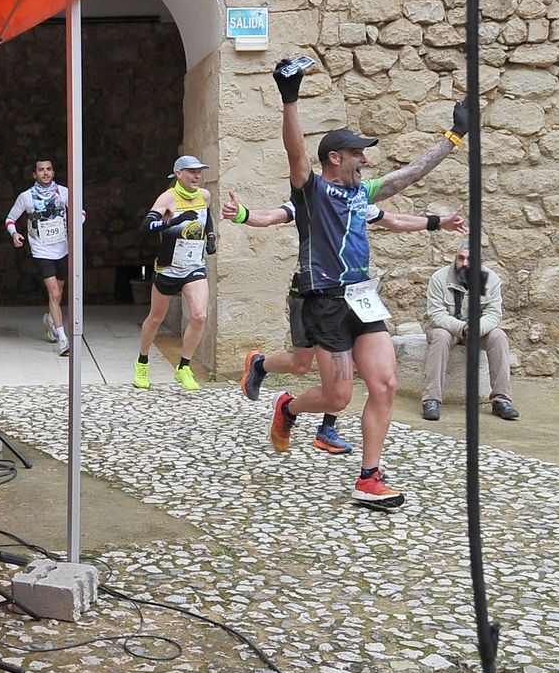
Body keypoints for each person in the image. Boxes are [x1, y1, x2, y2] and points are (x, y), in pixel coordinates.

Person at [251, 56, 470, 507]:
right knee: (339, 394)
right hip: (323, 299)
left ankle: (369, 478)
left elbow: (406, 178)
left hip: (363, 298)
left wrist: (454, 138)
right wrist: (289, 98)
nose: (365, 159)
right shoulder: (311, 190)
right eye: (358, 153)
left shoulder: (361, 193)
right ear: (335, 158)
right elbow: (295, 152)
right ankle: (288, 408)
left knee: (385, 384)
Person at [221, 193, 355, 455]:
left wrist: (436, 221)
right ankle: (259, 366)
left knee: (346, 362)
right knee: (301, 364)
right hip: (309, 295)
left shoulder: (358, 197)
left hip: (348, 296)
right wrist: (242, 214)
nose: (362, 161)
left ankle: (327, 427)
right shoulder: (310, 196)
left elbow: (393, 219)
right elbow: (272, 215)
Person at [136, 155, 215, 391]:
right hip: (169, 267)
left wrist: (210, 237)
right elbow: (145, 227)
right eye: (191, 172)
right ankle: (142, 361)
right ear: (179, 174)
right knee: (156, 318)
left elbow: (206, 218)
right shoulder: (168, 198)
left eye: (199, 172)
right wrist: (173, 221)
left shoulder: (205, 196)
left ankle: (184, 367)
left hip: (194, 266)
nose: (197, 176)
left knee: (199, 315)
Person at [422, 244, 519, 421]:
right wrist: (461, 327)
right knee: (441, 336)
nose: (464, 263)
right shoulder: (439, 278)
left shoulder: (491, 280)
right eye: (460, 258)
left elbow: (494, 314)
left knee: (499, 336)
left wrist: (476, 327)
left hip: (477, 330)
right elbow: (436, 314)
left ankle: (501, 400)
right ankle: (431, 399)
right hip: (446, 328)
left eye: (470, 259)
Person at [5, 158, 80, 357]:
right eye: (41, 170)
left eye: (48, 169)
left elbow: (80, 212)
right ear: (34, 174)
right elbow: (10, 219)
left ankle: (50, 319)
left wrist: (76, 223)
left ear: (53, 172)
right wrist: (14, 234)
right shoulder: (26, 197)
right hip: (41, 249)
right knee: (54, 293)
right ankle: (63, 339)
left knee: (59, 291)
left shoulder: (64, 192)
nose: (45, 173)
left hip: (62, 248)